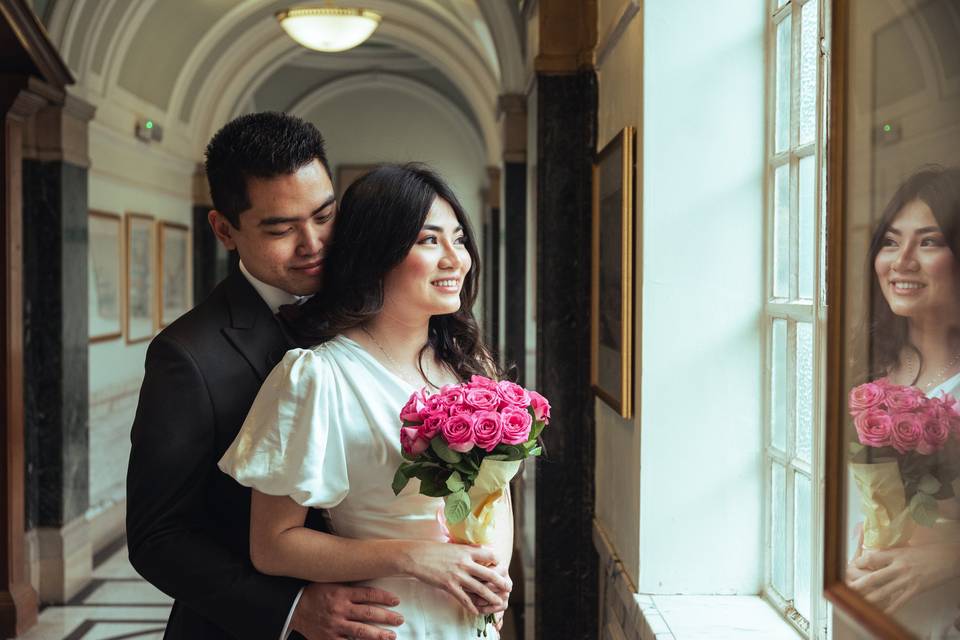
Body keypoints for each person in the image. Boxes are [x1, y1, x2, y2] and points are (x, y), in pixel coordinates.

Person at [126, 112, 403, 640]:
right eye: (281, 228)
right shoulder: (186, 356)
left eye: (324, 215)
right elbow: (157, 537)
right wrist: (292, 609)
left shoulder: (379, 309)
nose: (313, 243)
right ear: (224, 230)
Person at [218, 164, 514, 638]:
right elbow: (272, 545)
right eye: (429, 241)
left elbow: (495, 494)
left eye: (458, 240)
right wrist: (412, 557)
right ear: (378, 254)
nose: (456, 260)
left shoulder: (468, 363)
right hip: (388, 621)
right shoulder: (318, 376)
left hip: (470, 622)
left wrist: (494, 575)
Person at [847, 166, 960, 638]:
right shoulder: (863, 363)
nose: (902, 261)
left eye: (929, 242)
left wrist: (950, 557)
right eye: (891, 242)